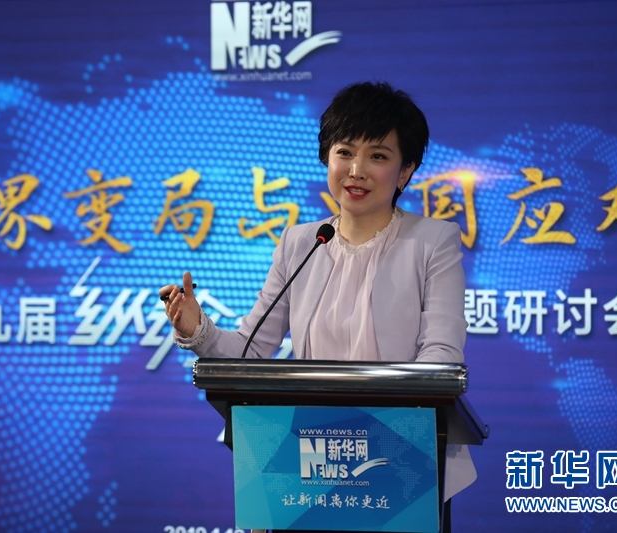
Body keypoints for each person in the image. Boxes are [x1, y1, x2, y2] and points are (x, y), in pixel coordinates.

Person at [159, 81, 476, 518]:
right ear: (327, 157)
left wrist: (381, 432)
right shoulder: (301, 242)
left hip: (406, 462)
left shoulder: (433, 241)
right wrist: (198, 329)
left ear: (405, 171)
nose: (356, 170)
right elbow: (251, 350)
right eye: (345, 152)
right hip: (310, 462)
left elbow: (441, 356)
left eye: (378, 156)